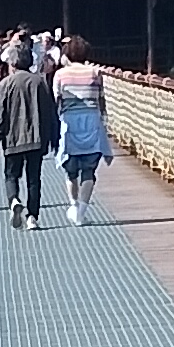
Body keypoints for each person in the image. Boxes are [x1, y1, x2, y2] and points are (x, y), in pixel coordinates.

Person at [0, 35, 57, 228]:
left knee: (11, 175)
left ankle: (13, 200)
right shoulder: (40, 82)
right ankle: (32, 217)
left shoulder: (4, 84)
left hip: (12, 139)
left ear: (13, 63)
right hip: (36, 138)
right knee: (34, 178)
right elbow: (49, 112)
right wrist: (53, 137)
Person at [55, 43, 111, 222]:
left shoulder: (60, 74)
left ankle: (73, 205)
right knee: (89, 169)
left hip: (70, 122)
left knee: (71, 169)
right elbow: (101, 99)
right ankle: (82, 212)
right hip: (92, 121)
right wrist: (104, 118)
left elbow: (57, 99)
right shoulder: (95, 72)